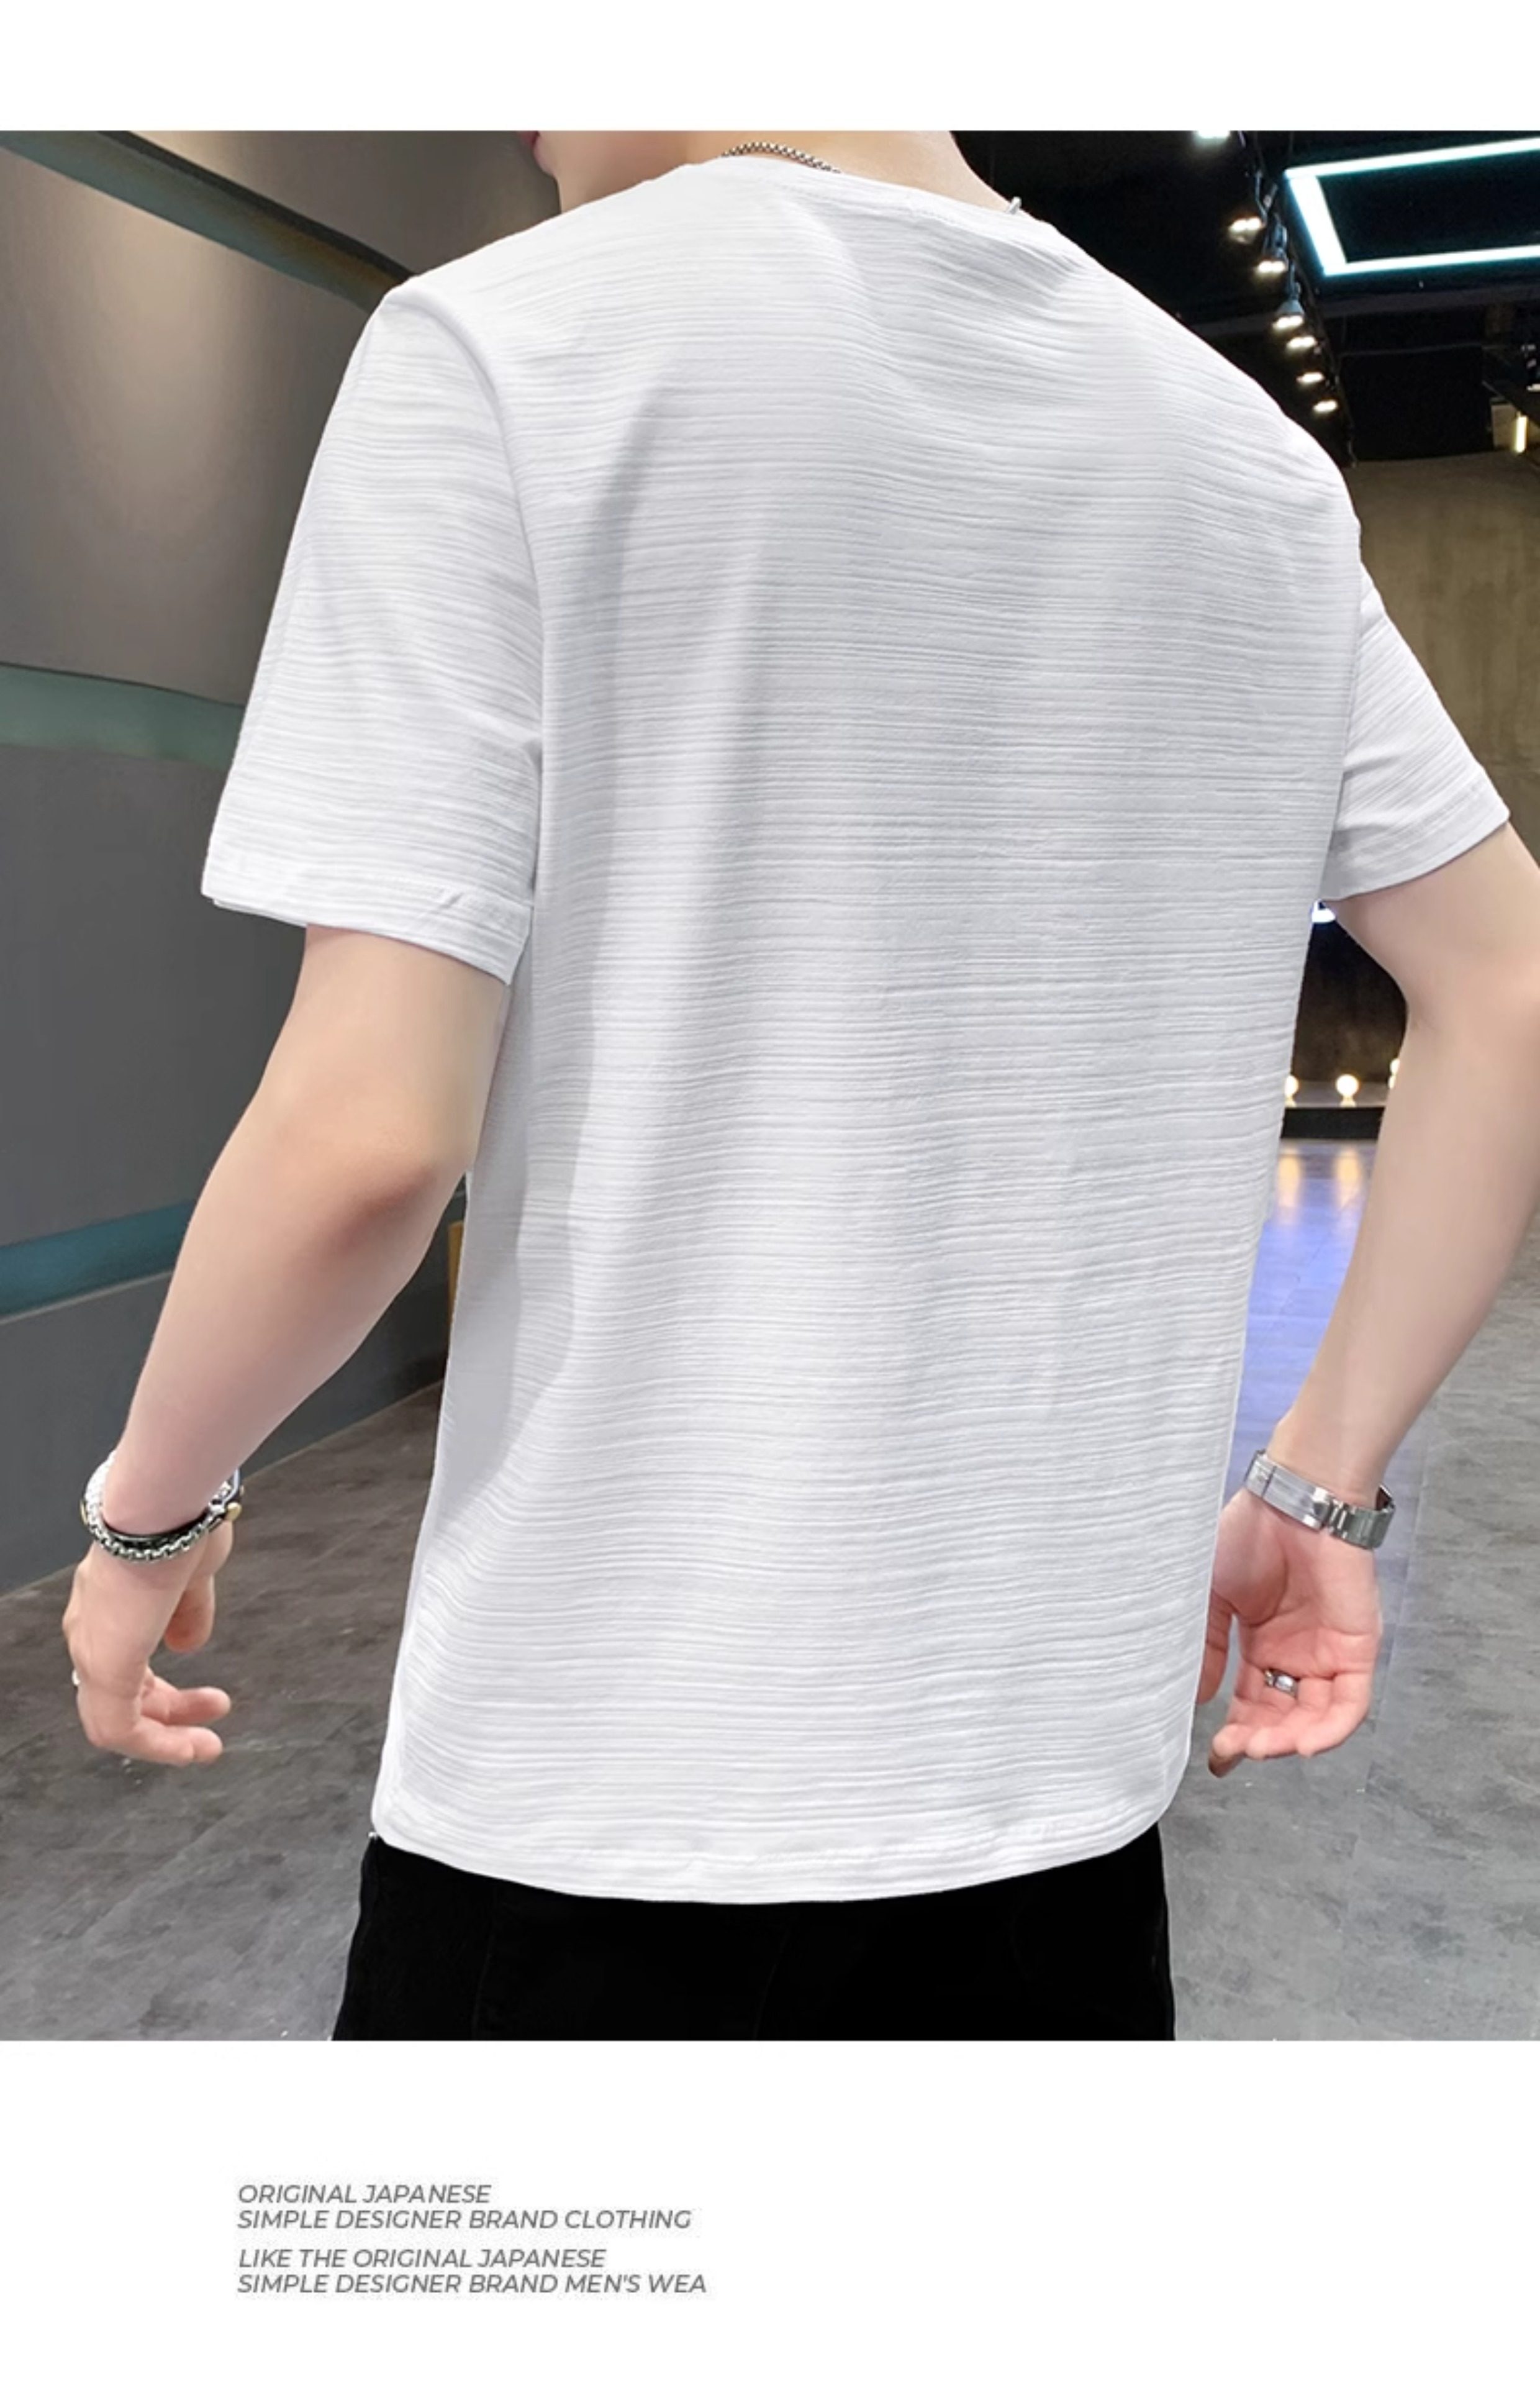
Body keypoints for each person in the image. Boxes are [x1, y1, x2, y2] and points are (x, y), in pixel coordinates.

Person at [63, 130, 1540, 2042]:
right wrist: (1319, 1492)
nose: (529, 126)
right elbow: (1505, 985)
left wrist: (150, 1514)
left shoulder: (509, 346)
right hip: (1063, 1820)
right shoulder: (1242, 454)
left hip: (611, 1802)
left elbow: (369, 1137)